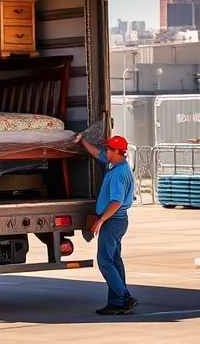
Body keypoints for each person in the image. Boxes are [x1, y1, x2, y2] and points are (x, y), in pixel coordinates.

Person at [75, 133, 138, 315]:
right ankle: (116, 302)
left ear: (119, 152)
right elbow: (97, 154)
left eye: (110, 149)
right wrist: (82, 141)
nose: (106, 151)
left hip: (113, 221)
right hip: (118, 221)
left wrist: (101, 221)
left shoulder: (118, 174)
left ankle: (124, 297)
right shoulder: (117, 165)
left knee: (104, 261)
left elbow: (116, 202)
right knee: (114, 260)